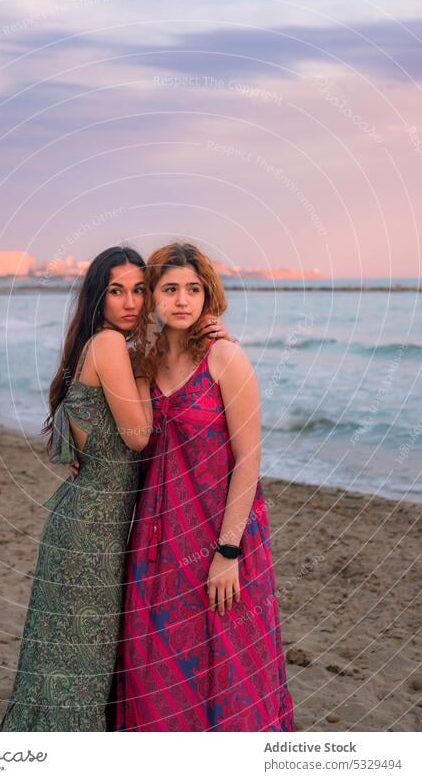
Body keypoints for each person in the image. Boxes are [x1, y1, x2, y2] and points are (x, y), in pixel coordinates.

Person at [0, 245, 227, 732]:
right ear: (98, 299)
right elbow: (139, 435)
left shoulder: (107, 347)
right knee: (80, 671)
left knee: (78, 667)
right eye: (116, 291)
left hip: (101, 530)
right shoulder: (108, 345)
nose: (129, 302)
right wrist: (146, 367)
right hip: (90, 536)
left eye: (139, 290)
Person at [113, 242, 296, 732]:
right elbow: (131, 438)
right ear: (151, 296)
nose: (182, 299)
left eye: (193, 289)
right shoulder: (142, 366)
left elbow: (249, 459)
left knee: (228, 660)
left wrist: (228, 550)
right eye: (169, 288)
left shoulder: (225, 357)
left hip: (223, 530)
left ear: (207, 296)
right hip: (159, 537)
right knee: (157, 660)